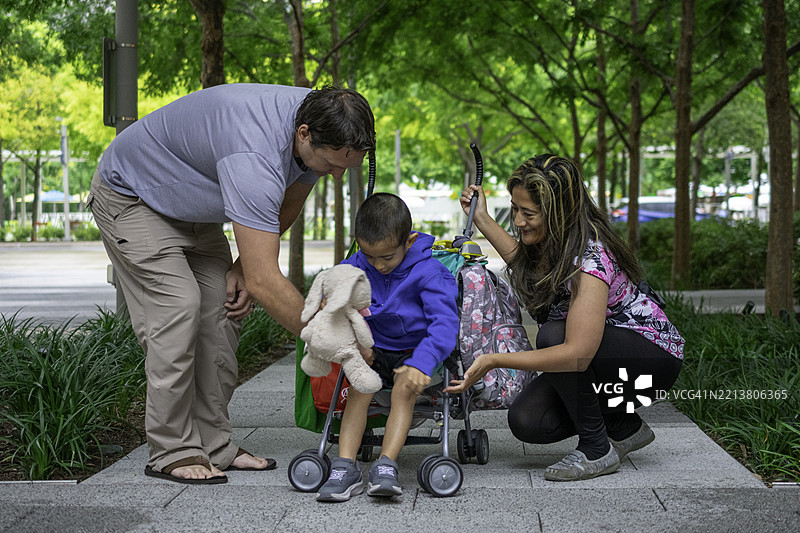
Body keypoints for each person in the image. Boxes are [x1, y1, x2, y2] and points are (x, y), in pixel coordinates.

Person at [88, 84, 375, 485]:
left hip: (192, 207)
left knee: (223, 307)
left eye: (347, 166)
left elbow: (290, 200)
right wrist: (332, 339)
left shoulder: (325, 116)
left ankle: (213, 443)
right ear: (304, 134)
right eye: (332, 164)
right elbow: (264, 281)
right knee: (179, 307)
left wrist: (243, 265)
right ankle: (171, 450)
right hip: (133, 197)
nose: (337, 174)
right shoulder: (254, 154)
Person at [444, 154, 684, 482]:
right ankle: (623, 426)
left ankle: (597, 449)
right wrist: (482, 218)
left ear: (558, 212)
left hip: (651, 359)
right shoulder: (555, 243)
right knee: (528, 420)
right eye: (515, 209)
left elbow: (577, 354)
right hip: (608, 361)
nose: (518, 221)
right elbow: (525, 267)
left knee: (553, 337)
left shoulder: (591, 257)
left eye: (528, 213)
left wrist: (494, 360)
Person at [315, 193, 459, 502]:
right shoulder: (356, 265)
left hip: (417, 351)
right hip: (373, 347)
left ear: (410, 241)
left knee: (403, 389)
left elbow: (445, 325)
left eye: (388, 257)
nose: (378, 265)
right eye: (370, 257)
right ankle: (345, 466)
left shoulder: (430, 273)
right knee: (359, 386)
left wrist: (422, 362)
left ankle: (386, 464)